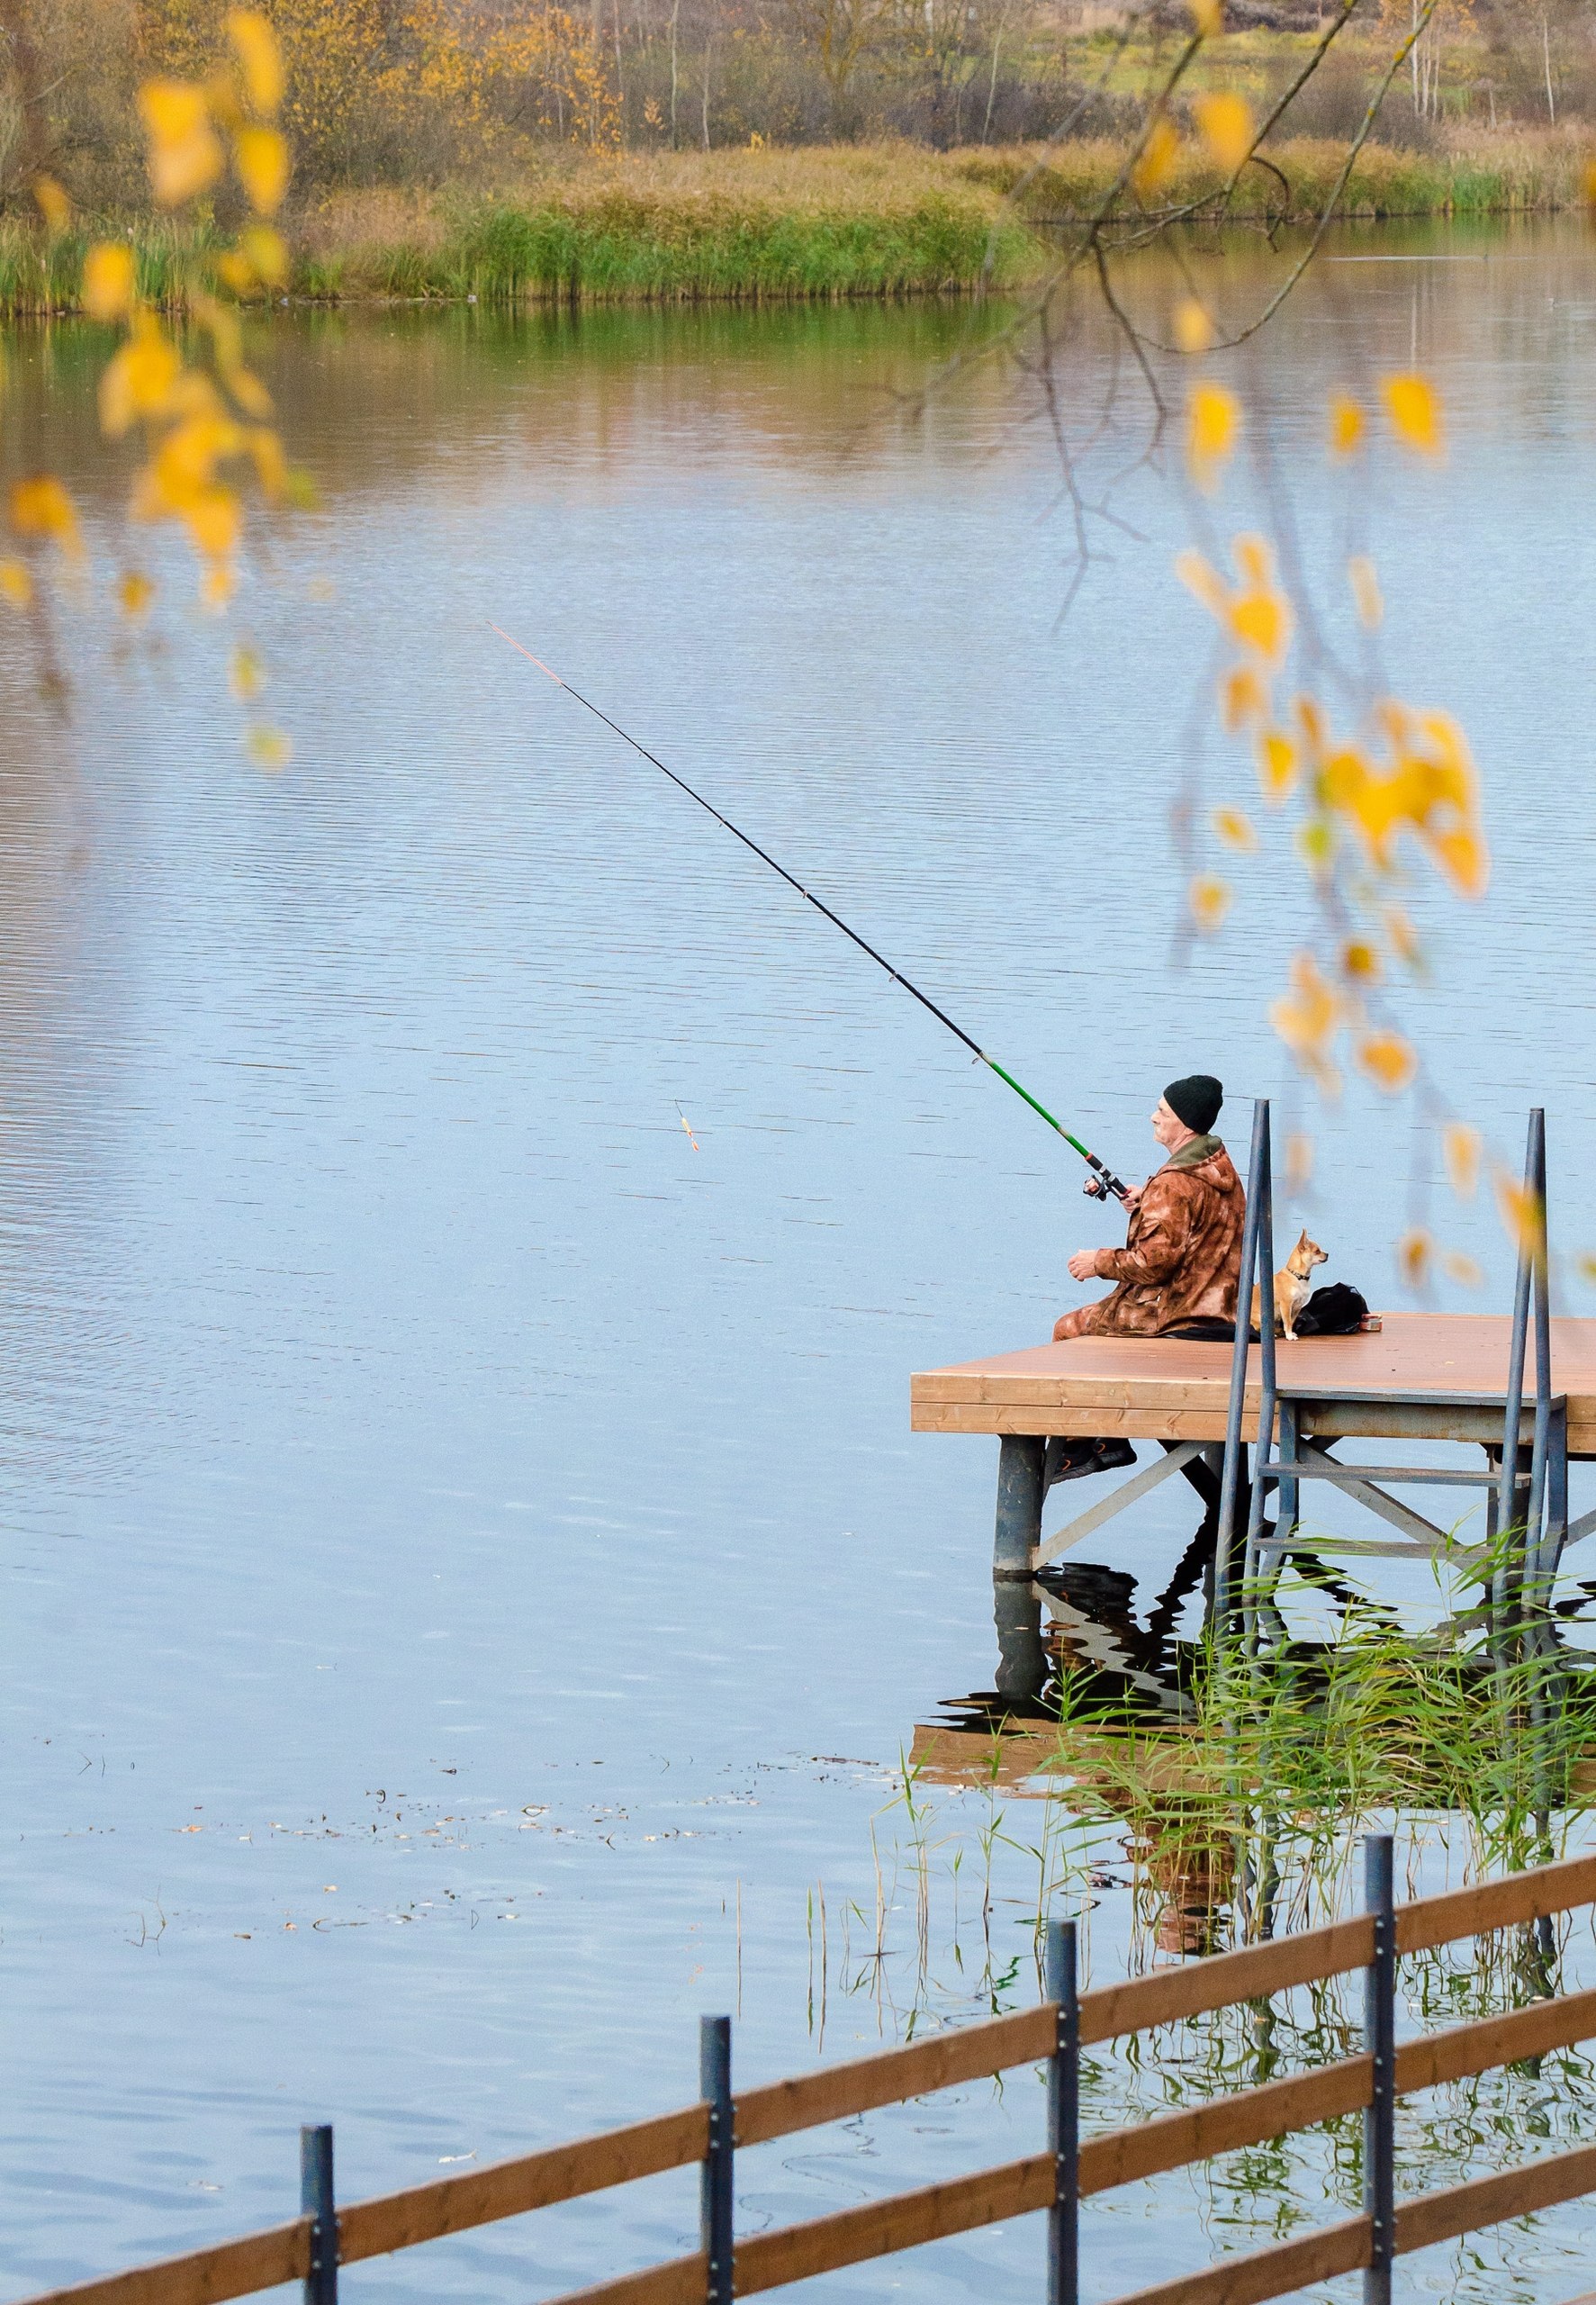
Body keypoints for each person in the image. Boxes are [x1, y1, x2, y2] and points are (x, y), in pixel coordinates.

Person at [1044, 1074, 1244, 1487]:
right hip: (1220, 1306)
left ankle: (1090, 1444)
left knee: (1068, 1331)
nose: (1153, 1117)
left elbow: (1154, 1265)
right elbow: (1194, 1225)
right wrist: (1146, 1203)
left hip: (1175, 1313)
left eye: (1163, 1112)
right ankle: (1106, 1440)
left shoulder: (1173, 1184)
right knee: (1086, 1330)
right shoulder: (1218, 1167)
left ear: (1186, 1125)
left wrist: (1096, 1261)